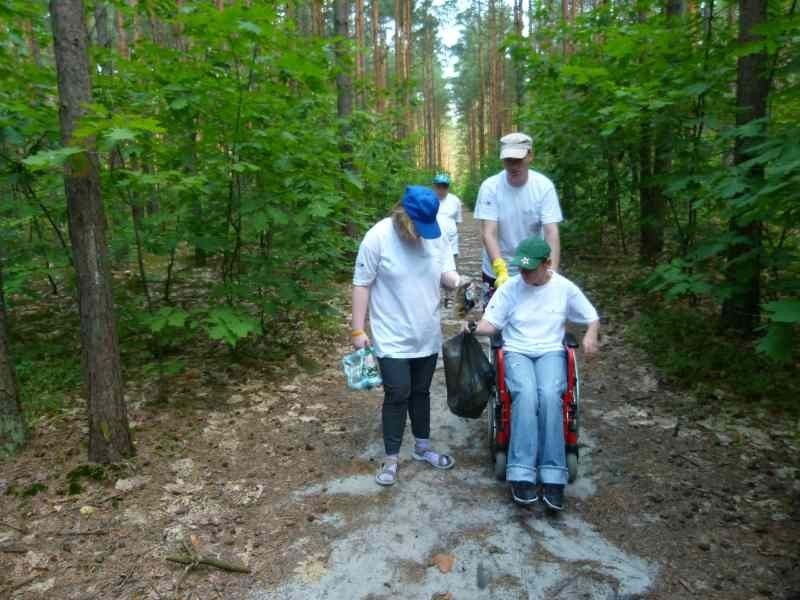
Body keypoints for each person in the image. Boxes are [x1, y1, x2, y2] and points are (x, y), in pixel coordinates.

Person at [464, 237, 599, 510]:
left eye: (530, 269)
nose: (523, 274)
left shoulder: (563, 288)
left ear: (547, 265)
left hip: (550, 349)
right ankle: (521, 473)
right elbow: (492, 323)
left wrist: (591, 335)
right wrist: (472, 327)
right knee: (525, 395)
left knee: (550, 395)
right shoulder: (511, 289)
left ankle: (553, 475)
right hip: (517, 350)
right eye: (521, 269)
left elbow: (591, 316)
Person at [351, 185, 464, 487]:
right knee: (397, 392)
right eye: (416, 226)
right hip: (391, 335)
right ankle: (391, 458)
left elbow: (446, 273)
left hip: (426, 332)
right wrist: (358, 328)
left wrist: (460, 283)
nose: (421, 233)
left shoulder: (435, 232)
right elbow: (362, 283)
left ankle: (423, 447)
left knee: (421, 391)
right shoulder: (377, 237)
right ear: (402, 215)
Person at [474, 133, 563, 289]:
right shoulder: (490, 187)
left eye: (518, 160)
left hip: (533, 267)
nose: (513, 166)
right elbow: (489, 232)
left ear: (530, 156)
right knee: (494, 313)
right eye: (508, 161)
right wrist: (500, 270)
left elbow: (551, 232)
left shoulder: (543, 187)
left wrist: (552, 272)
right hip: (497, 268)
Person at [432, 173, 463, 259]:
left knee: (451, 267)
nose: (441, 190)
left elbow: (457, 220)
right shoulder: (428, 200)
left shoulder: (455, 200)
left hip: (451, 240)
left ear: (448, 187)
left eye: (444, 186)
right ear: (434, 187)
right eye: (438, 186)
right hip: (433, 240)